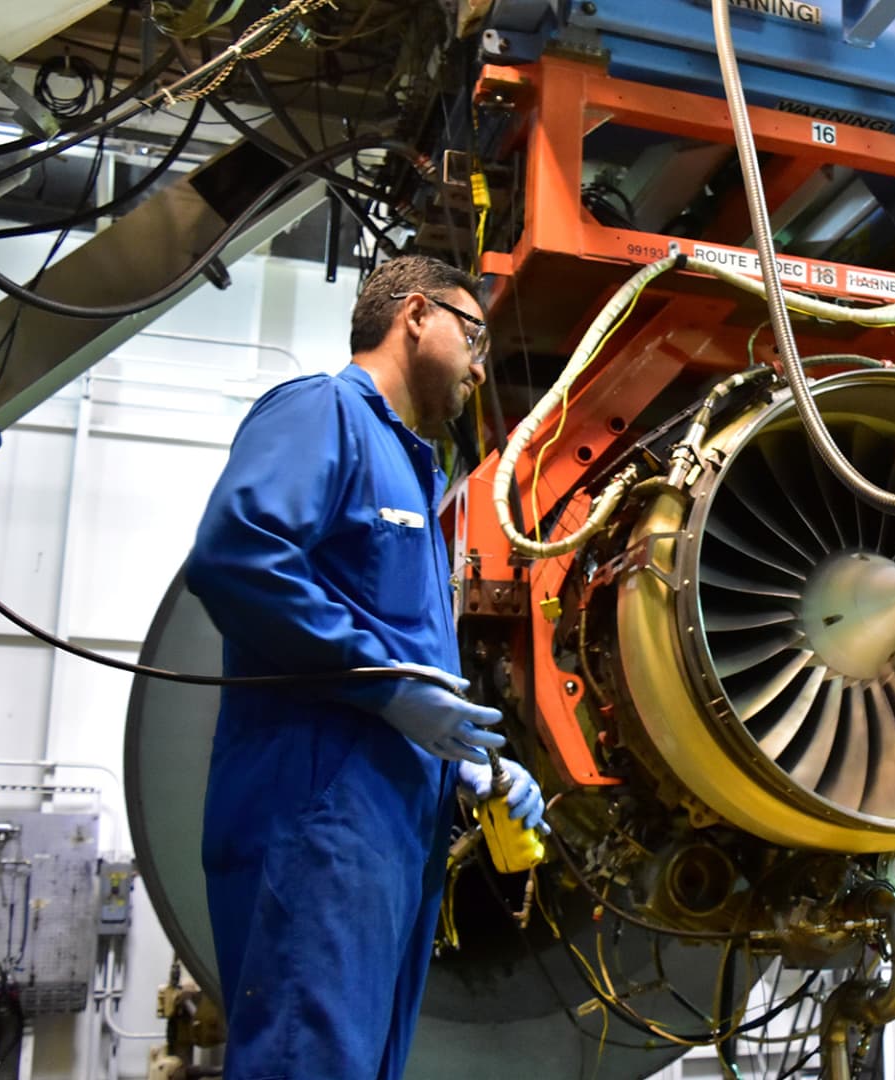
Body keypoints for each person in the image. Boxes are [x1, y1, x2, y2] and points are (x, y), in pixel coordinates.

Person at [185, 256, 547, 1080]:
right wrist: (387, 685)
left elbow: (408, 665)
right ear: (415, 315)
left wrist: (470, 768)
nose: (480, 369)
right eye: (474, 336)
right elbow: (238, 557)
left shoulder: (415, 474)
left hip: (391, 842)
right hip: (318, 833)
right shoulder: (323, 412)